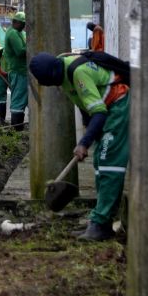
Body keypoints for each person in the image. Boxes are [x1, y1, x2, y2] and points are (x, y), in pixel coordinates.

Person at [29, 51, 130, 242]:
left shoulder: (78, 72)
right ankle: (103, 222)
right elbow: (86, 106)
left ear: (52, 75)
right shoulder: (63, 74)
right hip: (106, 110)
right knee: (100, 163)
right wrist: (88, 135)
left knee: (109, 163)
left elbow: (98, 112)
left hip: (118, 105)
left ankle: (100, 223)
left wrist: (84, 143)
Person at [5, 11, 28, 130]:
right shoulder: (13, 33)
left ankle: (17, 129)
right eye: (22, 23)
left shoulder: (19, 32)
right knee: (18, 100)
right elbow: (20, 51)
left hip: (21, 71)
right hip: (19, 72)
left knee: (20, 98)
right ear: (15, 22)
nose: (24, 26)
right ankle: (16, 129)